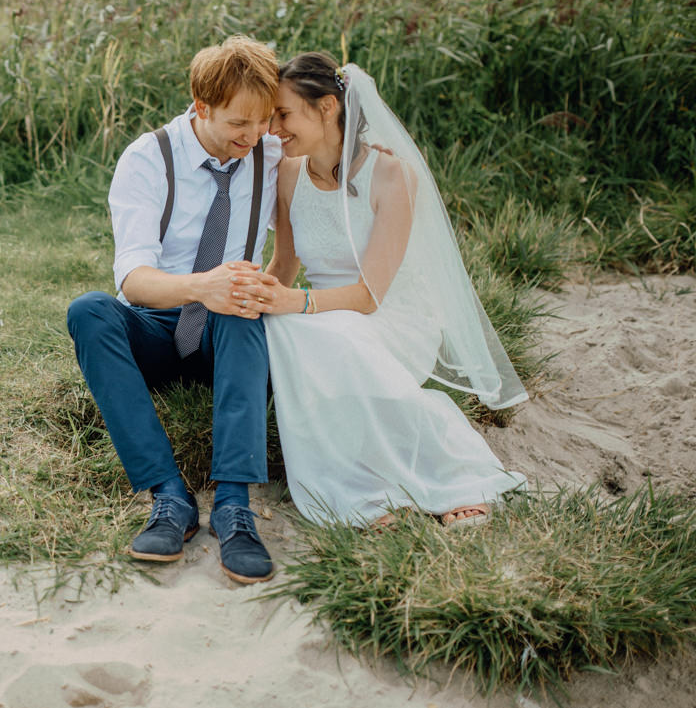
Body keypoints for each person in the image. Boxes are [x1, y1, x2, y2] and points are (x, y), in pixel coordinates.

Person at [233, 52, 526, 529]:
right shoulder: (288, 173)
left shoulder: (392, 175)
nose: (273, 130)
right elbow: (285, 264)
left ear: (327, 107)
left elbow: (370, 296)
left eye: (283, 115)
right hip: (324, 315)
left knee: (330, 333)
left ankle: (456, 477)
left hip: (390, 315)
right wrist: (257, 295)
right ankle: (371, 491)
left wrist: (297, 303)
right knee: (288, 331)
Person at [66, 36, 285, 583]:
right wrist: (201, 286)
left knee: (239, 299)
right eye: (240, 123)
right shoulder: (148, 158)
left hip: (229, 336)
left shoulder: (274, 153)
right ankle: (170, 497)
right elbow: (134, 280)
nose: (253, 136)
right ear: (201, 104)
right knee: (89, 310)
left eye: (262, 122)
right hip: (157, 329)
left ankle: (234, 505)